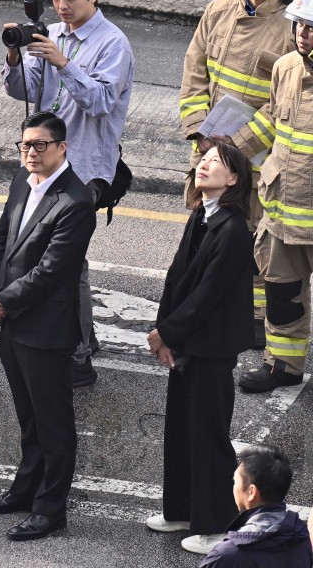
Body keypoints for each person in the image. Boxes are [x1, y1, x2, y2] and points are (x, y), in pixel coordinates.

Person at [2, 0, 134, 387]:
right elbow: (22, 91)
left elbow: (99, 102)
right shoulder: (52, 33)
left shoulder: (114, 45)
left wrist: (63, 62)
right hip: (43, 162)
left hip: (84, 170)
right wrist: (15, 55)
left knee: (66, 263)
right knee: (41, 253)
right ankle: (81, 336)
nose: (61, 6)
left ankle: (78, 355)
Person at [0, 112, 96, 541]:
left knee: (54, 423)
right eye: (24, 144)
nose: (30, 152)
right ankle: (25, 490)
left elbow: (51, 271)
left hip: (45, 328)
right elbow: (1, 241)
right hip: (11, 321)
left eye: (40, 145)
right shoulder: (19, 183)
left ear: (63, 148)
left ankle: (50, 509)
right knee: (28, 416)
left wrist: (4, 303)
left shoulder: (77, 202)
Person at [181, 0, 300, 350]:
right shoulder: (219, 10)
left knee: (250, 239)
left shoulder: (291, 28)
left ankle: (251, 318)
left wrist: (240, 143)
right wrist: (198, 129)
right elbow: (194, 71)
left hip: (257, 155)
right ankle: (200, 302)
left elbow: (285, 100)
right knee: (204, 226)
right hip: (210, 147)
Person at [143, 142, 254, 555]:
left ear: (234, 180)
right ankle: (181, 510)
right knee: (180, 428)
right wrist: (163, 330)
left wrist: (166, 334)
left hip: (211, 346)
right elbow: (177, 277)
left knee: (208, 435)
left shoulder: (234, 228)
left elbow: (206, 295)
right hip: (188, 341)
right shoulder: (202, 215)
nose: (204, 166)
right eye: (203, 160)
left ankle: (216, 524)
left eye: (216, 163)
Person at [233, 0, 313, 393]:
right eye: (300, 25)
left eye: (312, 28)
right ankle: (283, 366)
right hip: (282, 210)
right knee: (282, 295)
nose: (303, 34)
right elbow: (273, 121)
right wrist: (235, 147)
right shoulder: (285, 68)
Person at [200, 444, 312, 566]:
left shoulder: (225, 556)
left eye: (235, 481)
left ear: (251, 492)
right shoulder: (301, 535)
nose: (233, 488)